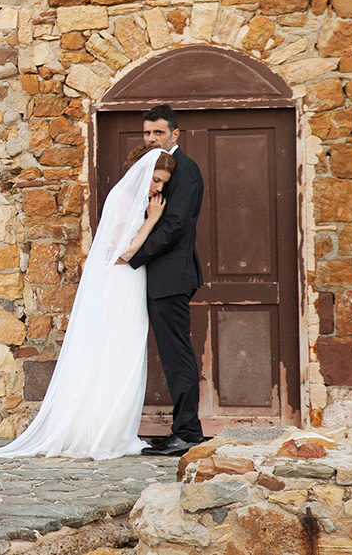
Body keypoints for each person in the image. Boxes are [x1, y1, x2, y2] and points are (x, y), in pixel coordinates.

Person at [0, 146, 176, 460]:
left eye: (163, 183)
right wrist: (152, 221)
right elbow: (125, 252)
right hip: (121, 281)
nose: (158, 188)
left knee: (124, 354)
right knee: (112, 353)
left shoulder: (135, 200)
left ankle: (114, 429)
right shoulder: (125, 200)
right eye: (155, 179)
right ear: (142, 172)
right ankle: (100, 432)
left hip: (130, 283)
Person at [132, 105, 205, 457]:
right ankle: (185, 429)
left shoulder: (186, 171)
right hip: (159, 275)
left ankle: (188, 432)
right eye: (147, 133)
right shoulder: (155, 167)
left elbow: (175, 226)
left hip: (171, 275)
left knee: (177, 353)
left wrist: (134, 257)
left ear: (175, 134)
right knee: (172, 352)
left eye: (158, 133)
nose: (151, 139)